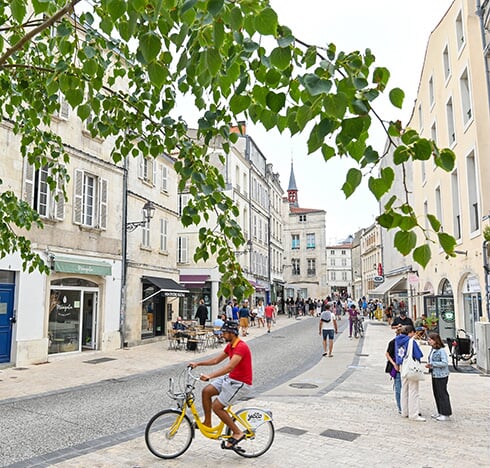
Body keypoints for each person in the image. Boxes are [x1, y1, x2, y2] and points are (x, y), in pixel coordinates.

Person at [189, 320, 252, 449]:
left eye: (224, 333)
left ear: (232, 333)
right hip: (230, 378)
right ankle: (207, 422)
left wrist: (210, 376)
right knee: (206, 391)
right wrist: (198, 363)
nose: (222, 335)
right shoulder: (230, 346)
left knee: (217, 407)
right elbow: (216, 360)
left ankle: (237, 432)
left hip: (240, 383)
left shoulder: (241, 347)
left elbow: (229, 367)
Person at [395, 325, 425, 421]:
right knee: (413, 390)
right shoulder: (411, 341)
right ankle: (413, 414)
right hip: (411, 367)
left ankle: (405, 411)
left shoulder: (397, 340)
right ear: (411, 332)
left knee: (404, 389)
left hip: (402, 365)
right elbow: (418, 354)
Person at [426, 333, 452, 421]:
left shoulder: (441, 351)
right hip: (434, 374)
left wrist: (433, 364)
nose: (429, 341)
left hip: (441, 375)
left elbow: (444, 363)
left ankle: (446, 413)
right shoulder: (433, 349)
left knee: (442, 394)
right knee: (436, 393)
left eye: (430, 340)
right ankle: (440, 411)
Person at [385, 327, 402, 413]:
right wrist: (394, 364)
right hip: (396, 368)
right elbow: (387, 354)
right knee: (398, 387)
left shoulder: (406, 343)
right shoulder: (393, 342)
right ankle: (400, 407)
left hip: (403, 367)